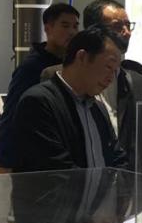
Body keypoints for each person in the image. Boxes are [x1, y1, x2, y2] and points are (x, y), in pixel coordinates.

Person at [11, 28, 128, 172]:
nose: (111, 78)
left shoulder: (97, 107)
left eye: (115, 71)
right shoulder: (38, 102)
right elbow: (56, 169)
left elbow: (117, 158)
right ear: (82, 57)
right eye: (108, 67)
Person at [0, 2, 79, 170]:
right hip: (33, 163)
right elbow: (11, 116)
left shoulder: (74, 66)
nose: (72, 32)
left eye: (75, 26)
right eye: (65, 25)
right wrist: (4, 162)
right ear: (48, 28)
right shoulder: (32, 68)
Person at [81, 0, 142, 174]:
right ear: (93, 31)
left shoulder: (138, 82)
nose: (126, 32)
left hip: (126, 179)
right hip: (82, 178)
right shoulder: (64, 75)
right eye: (117, 26)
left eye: (128, 25)